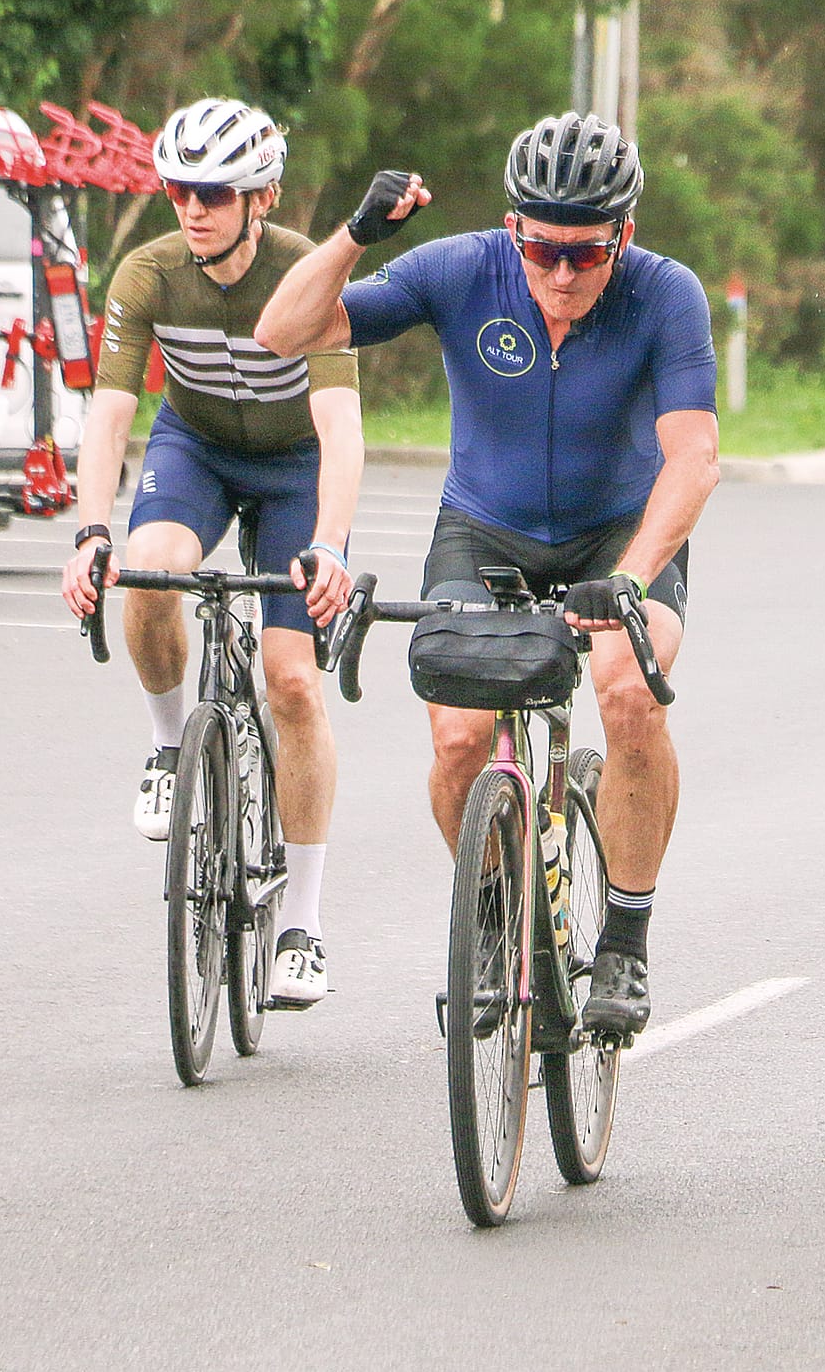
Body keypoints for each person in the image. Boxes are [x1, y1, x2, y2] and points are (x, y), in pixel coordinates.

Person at [255, 112, 718, 1038]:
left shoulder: (665, 294)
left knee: (630, 692)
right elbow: (281, 331)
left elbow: (694, 459)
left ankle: (623, 940)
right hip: (485, 528)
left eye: (584, 256)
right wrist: (354, 237)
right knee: (462, 736)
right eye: (542, 249)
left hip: (616, 535)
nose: (559, 274)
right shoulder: (464, 268)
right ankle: (500, 913)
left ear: (621, 236)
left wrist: (629, 578)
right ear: (514, 230)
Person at [62, 97, 364, 1009]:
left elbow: (342, 430)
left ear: (260, 196)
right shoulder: (148, 273)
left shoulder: (308, 273)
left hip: (294, 467)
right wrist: (90, 533)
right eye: (177, 190)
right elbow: (111, 412)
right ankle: (166, 746)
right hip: (194, 447)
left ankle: (303, 924)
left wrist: (328, 546)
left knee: (294, 682)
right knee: (148, 567)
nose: (190, 208)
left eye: (213, 193)